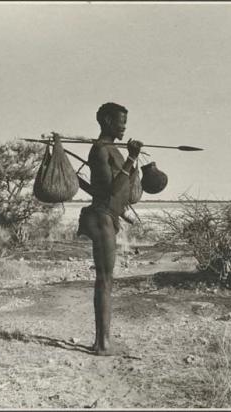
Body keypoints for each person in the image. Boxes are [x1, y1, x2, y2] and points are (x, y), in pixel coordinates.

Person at [77, 102, 143, 356]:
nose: (124, 127)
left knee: (106, 279)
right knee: (104, 279)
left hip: (108, 216)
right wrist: (132, 158)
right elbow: (110, 191)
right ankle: (102, 344)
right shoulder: (100, 150)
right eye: (120, 122)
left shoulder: (109, 149)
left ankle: (103, 340)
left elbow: (98, 190)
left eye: (125, 122)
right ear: (106, 121)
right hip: (101, 218)